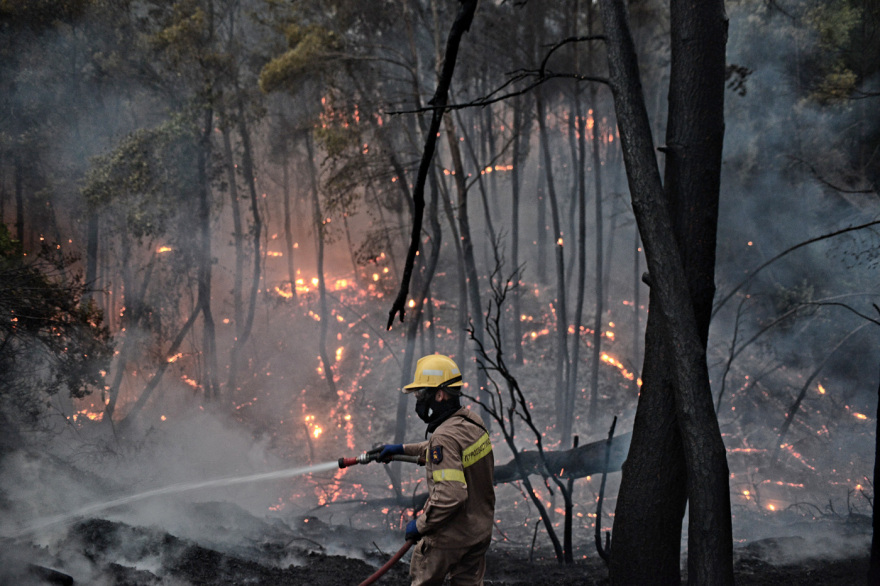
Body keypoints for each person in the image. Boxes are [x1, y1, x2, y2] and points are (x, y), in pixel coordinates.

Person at [377, 354, 495, 586]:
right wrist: (401, 449)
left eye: (421, 394)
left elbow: (452, 495)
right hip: (478, 532)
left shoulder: (443, 437)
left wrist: (421, 525)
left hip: (450, 538)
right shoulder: (471, 422)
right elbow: (447, 452)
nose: (419, 400)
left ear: (439, 395)